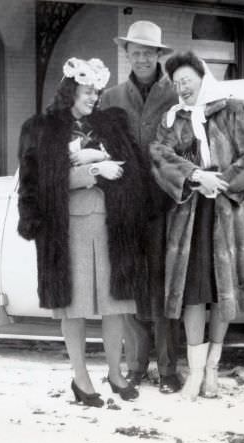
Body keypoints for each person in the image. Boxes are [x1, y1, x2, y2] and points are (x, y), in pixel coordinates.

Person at [17, 57, 152, 407]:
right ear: (71, 89)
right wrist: (92, 170)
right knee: (72, 306)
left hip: (111, 224)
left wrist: (111, 170)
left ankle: (115, 373)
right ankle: (81, 378)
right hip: (67, 229)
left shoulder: (112, 125)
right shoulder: (42, 128)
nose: (94, 97)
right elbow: (39, 185)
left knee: (114, 304)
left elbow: (132, 171)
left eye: (97, 91)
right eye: (88, 91)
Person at [149, 51, 244, 400]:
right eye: (176, 84)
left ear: (203, 77)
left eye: (186, 81)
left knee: (222, 296)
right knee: (192, 295)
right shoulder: (174, 119)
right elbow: (159, 156)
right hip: (189, 218)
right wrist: (194, 175)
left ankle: (212, 371)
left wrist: (223, 182)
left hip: (227, 216)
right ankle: (195, 373)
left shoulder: (234, 109)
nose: (182, 88)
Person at [99, 20, 183, 394]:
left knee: (165, 287)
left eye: (149, 52)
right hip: (124, 208)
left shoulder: (176, 96)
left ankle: (167, 369)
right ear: (127, 55)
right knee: (129, 285)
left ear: (158, 55)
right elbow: (97, 147)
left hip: (168, 206)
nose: (142, 58)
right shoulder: (111, 97)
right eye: (136, 52)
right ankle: (136, 364)